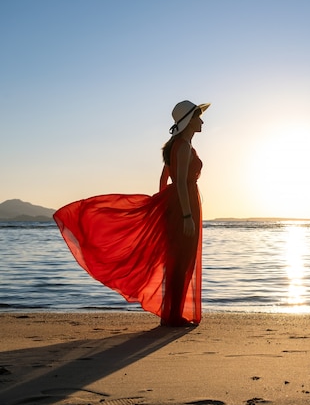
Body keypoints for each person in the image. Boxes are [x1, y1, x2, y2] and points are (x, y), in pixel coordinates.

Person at [54, 100, 210, 327]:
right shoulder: (184, 147)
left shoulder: (176, 145)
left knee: (177, 261)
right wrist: (185, 215)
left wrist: (165, 207)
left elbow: (164, 180)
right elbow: (180, 185)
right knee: (182, 261)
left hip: (175, 205)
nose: (202, 121)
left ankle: (172, 315)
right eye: (199, 116)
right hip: (184, 207)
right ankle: (173, 317)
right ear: (189, 121)